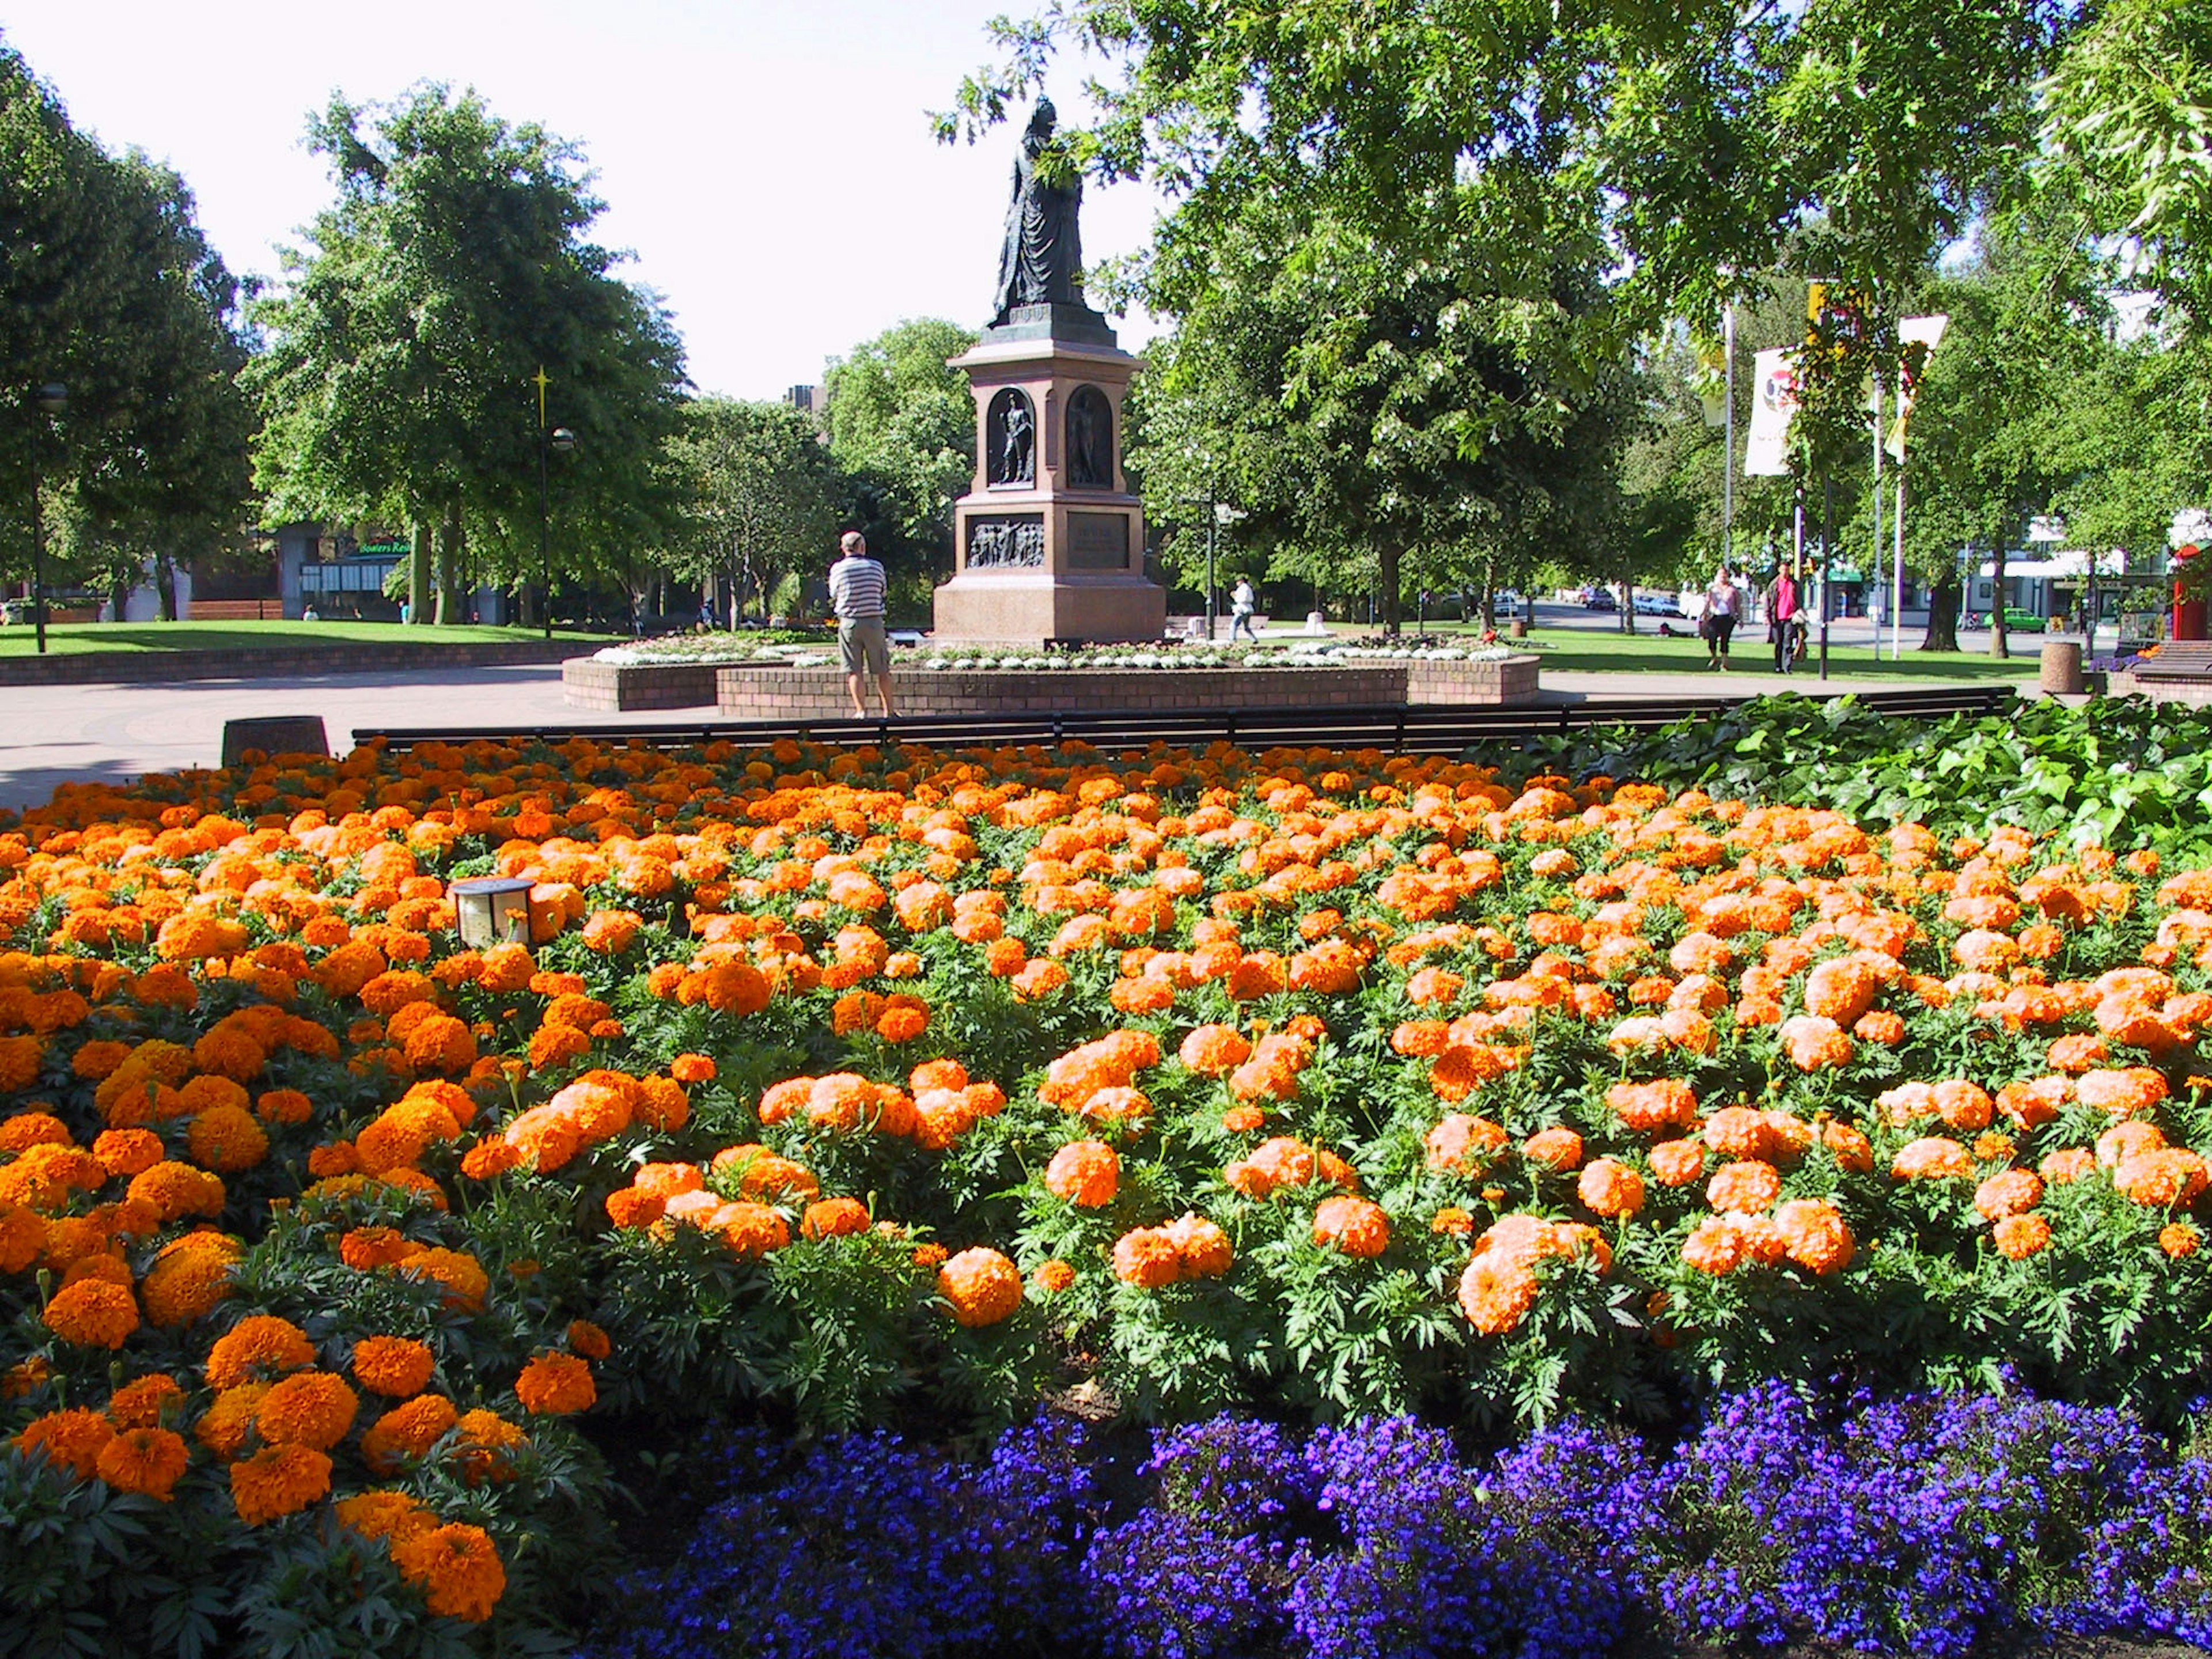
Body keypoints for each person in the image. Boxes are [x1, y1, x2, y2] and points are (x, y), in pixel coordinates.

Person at [828, 531, 896, 718]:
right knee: (882, 669)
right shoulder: (876, 567)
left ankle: (861, 711)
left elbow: (834, 593)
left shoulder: (838, 569)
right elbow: (883, 591)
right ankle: (889, 711)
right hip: (874, 622)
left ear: (844, 548)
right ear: (862, 547)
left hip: (849, 623)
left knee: (854, 670)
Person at [1764, 566, 1800, 674]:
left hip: (1790, 617)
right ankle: (1778, 666)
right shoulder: (1774, 584)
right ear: (1780, 570)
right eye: (1783, 570)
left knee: (1788, 642)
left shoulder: (1794, 584)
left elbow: (1799, 599)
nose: (1785, 572)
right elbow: (1768, 600)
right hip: (1777, 618)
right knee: (1778, 643)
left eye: (1787, 570)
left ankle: (1787, 667)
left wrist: (1800, 613)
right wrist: (1767, 615)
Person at [1705, 569, 1741, 669]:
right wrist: (1704, 615)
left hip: (1728, 617)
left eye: (1725, 575)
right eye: (1721, 574)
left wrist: (1740, 619)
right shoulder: (1713, 590)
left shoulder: (1733, 590)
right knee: (1712, 638)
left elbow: (1738, 605)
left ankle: (1724, 662)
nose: (1723, 576)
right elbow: (1707, 603)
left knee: (1725, 639)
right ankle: (1714, 658)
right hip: (1714, 616)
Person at [1229, 577, 1259, 642]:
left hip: (1242, 610)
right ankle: (1254, 639)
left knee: (1233, 624)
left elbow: (1243, 599)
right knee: (1246, 627)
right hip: (1248, 610)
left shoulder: (1244, 588)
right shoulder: (1247, 588)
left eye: (1238, 581)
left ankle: (1232, 640)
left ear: (1242, 581)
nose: (1237, 583)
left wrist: (1235, 596)